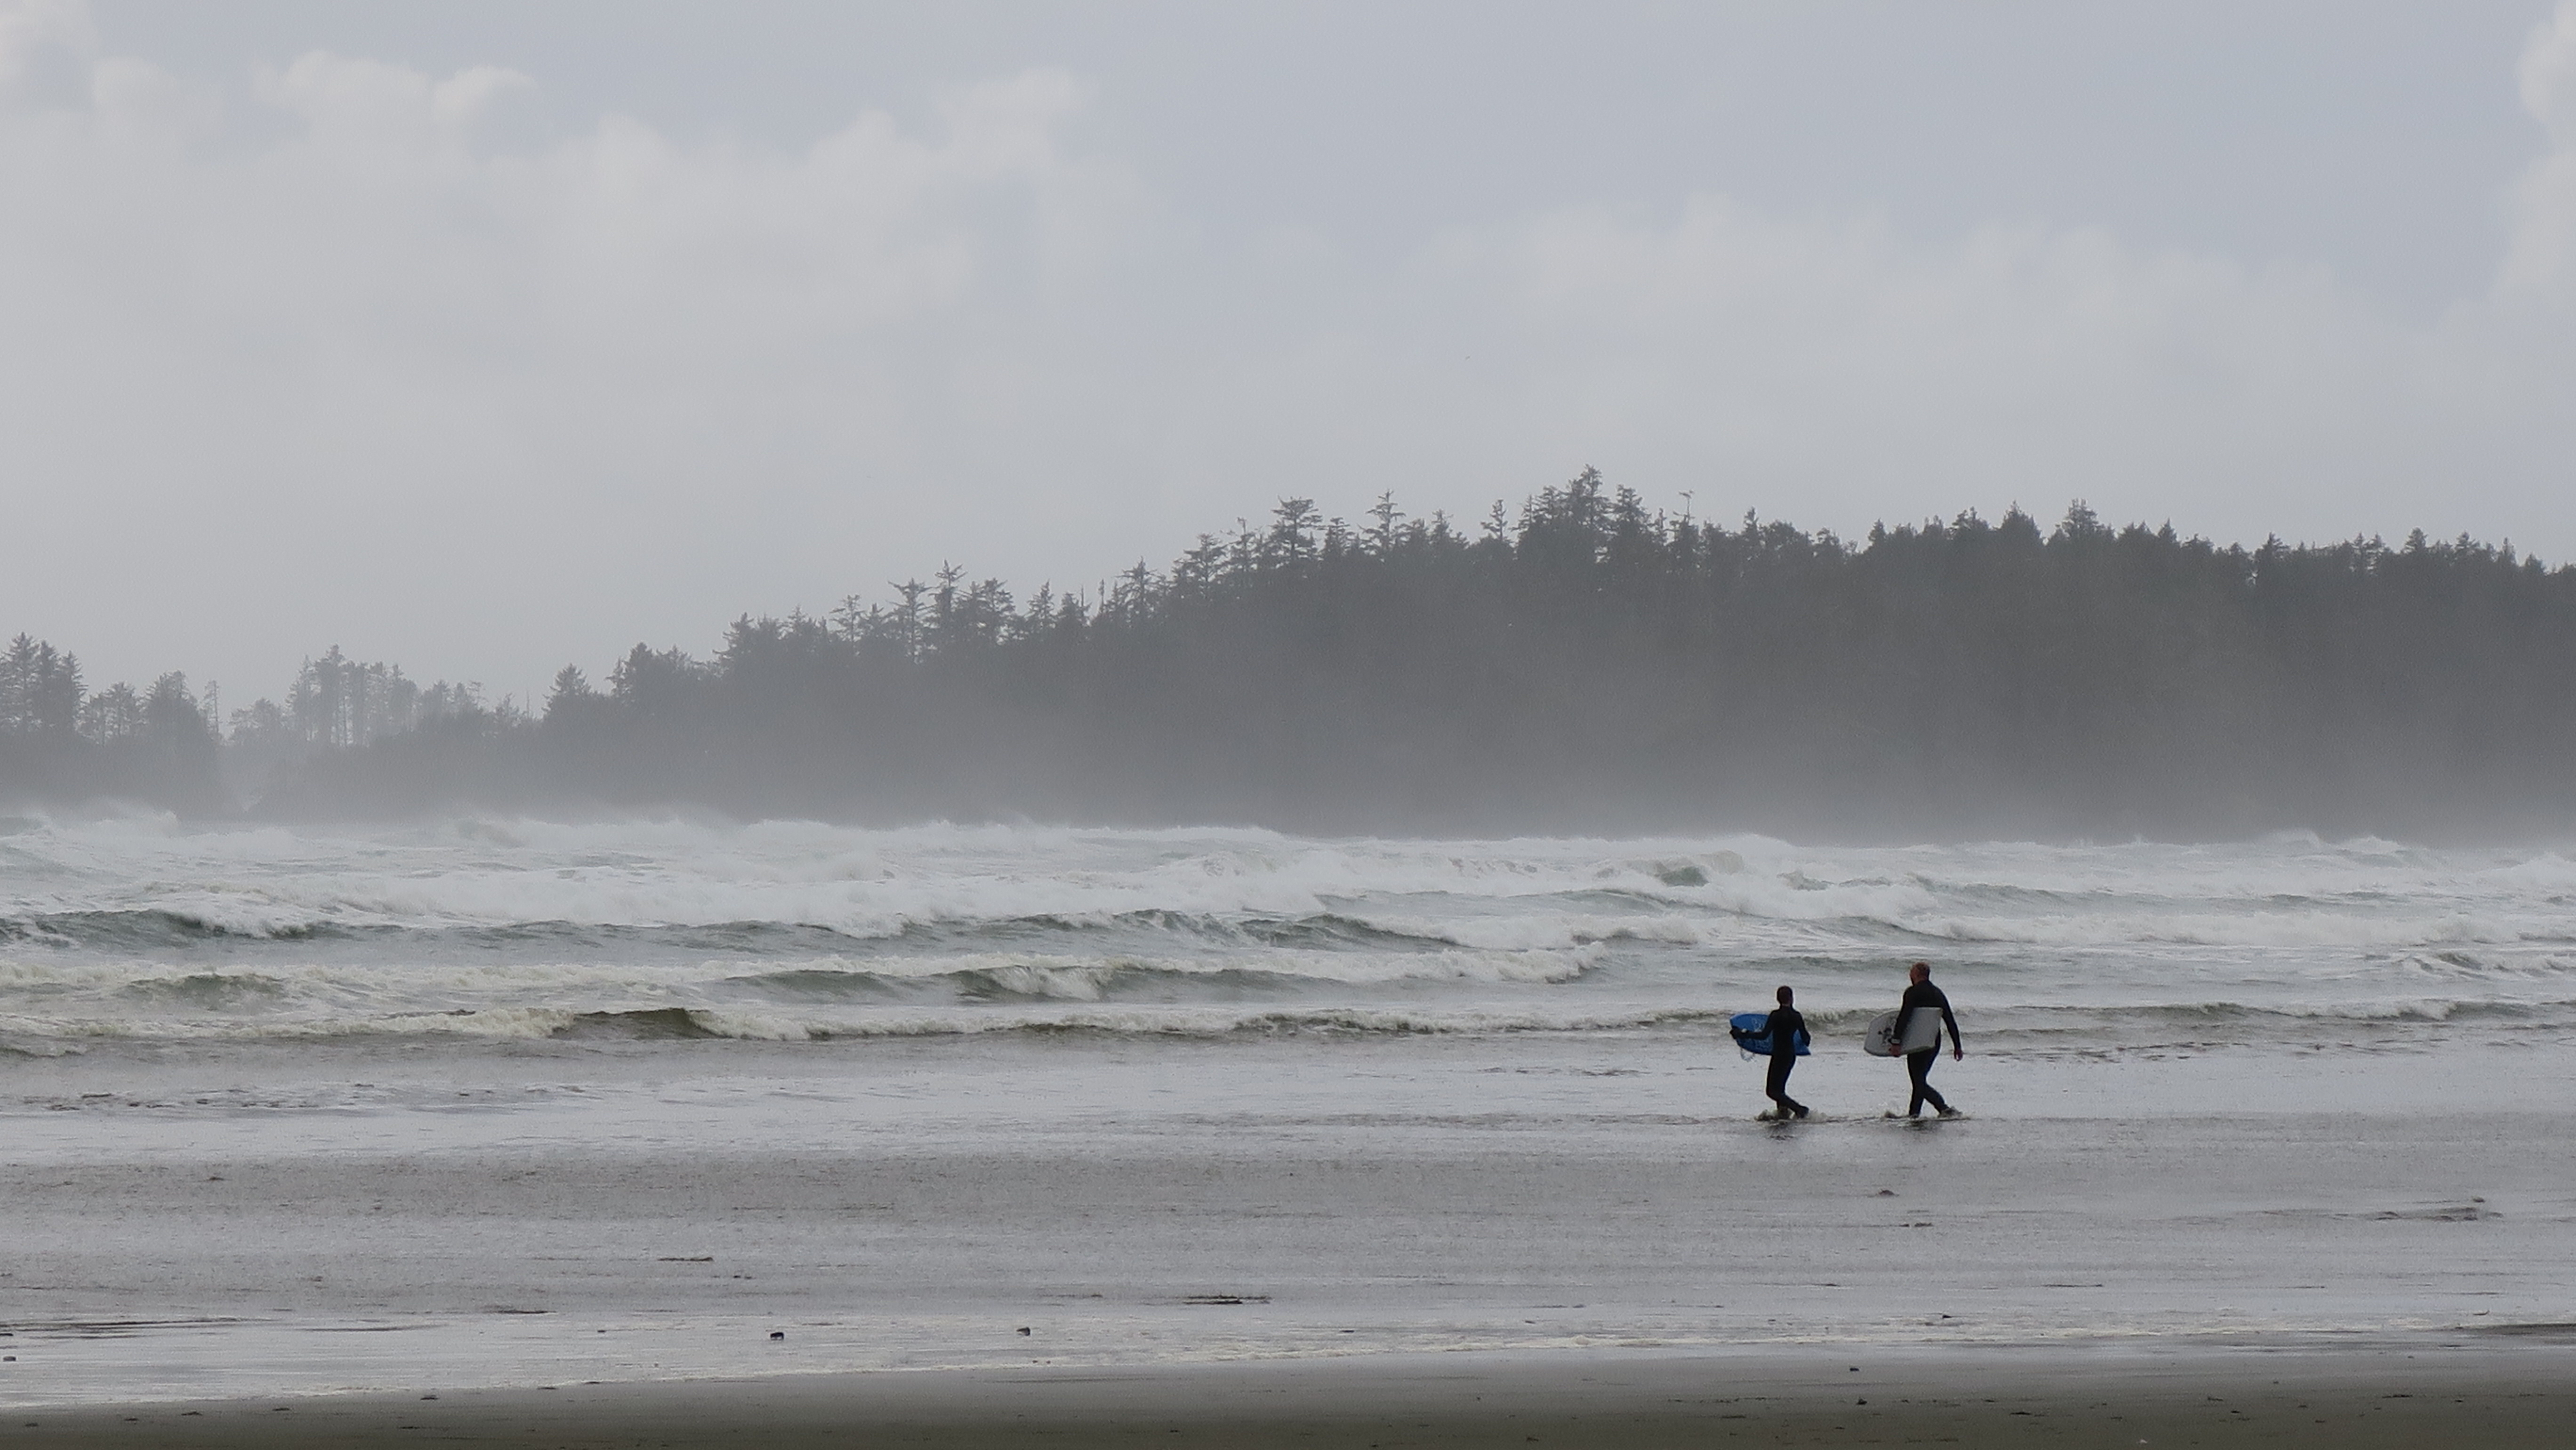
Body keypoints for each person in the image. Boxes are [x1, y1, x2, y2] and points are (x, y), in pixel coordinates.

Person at [1892, 961, 1963, 1118]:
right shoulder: (1938, 993)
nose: (1910, 975)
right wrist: (1957, 1045)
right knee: (1920, 1079)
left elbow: (1905, 1017)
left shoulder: (1912, 992)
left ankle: (1944, 1108)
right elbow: (1950, 1020)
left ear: (1917, 974)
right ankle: (1914, 1115)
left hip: (1917, 1042)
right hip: (1933, 1043)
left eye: (1911, 972)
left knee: (1918, 1081)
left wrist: (1896, 1041)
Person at [1731, 984, 1810, 1119]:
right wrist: (1799, 1044)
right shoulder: (1797, 1016)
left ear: (1778, 999)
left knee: (1772, 1092)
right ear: (1792, 998)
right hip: (1790, 1055)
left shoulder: (1776, 1016)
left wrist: (1743, 1033)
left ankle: (1800, 1109)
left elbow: (1763, 1036)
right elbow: (1806, 1038)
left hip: (1779, 1055)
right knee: (1780, 1090)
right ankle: (1783, 1115)